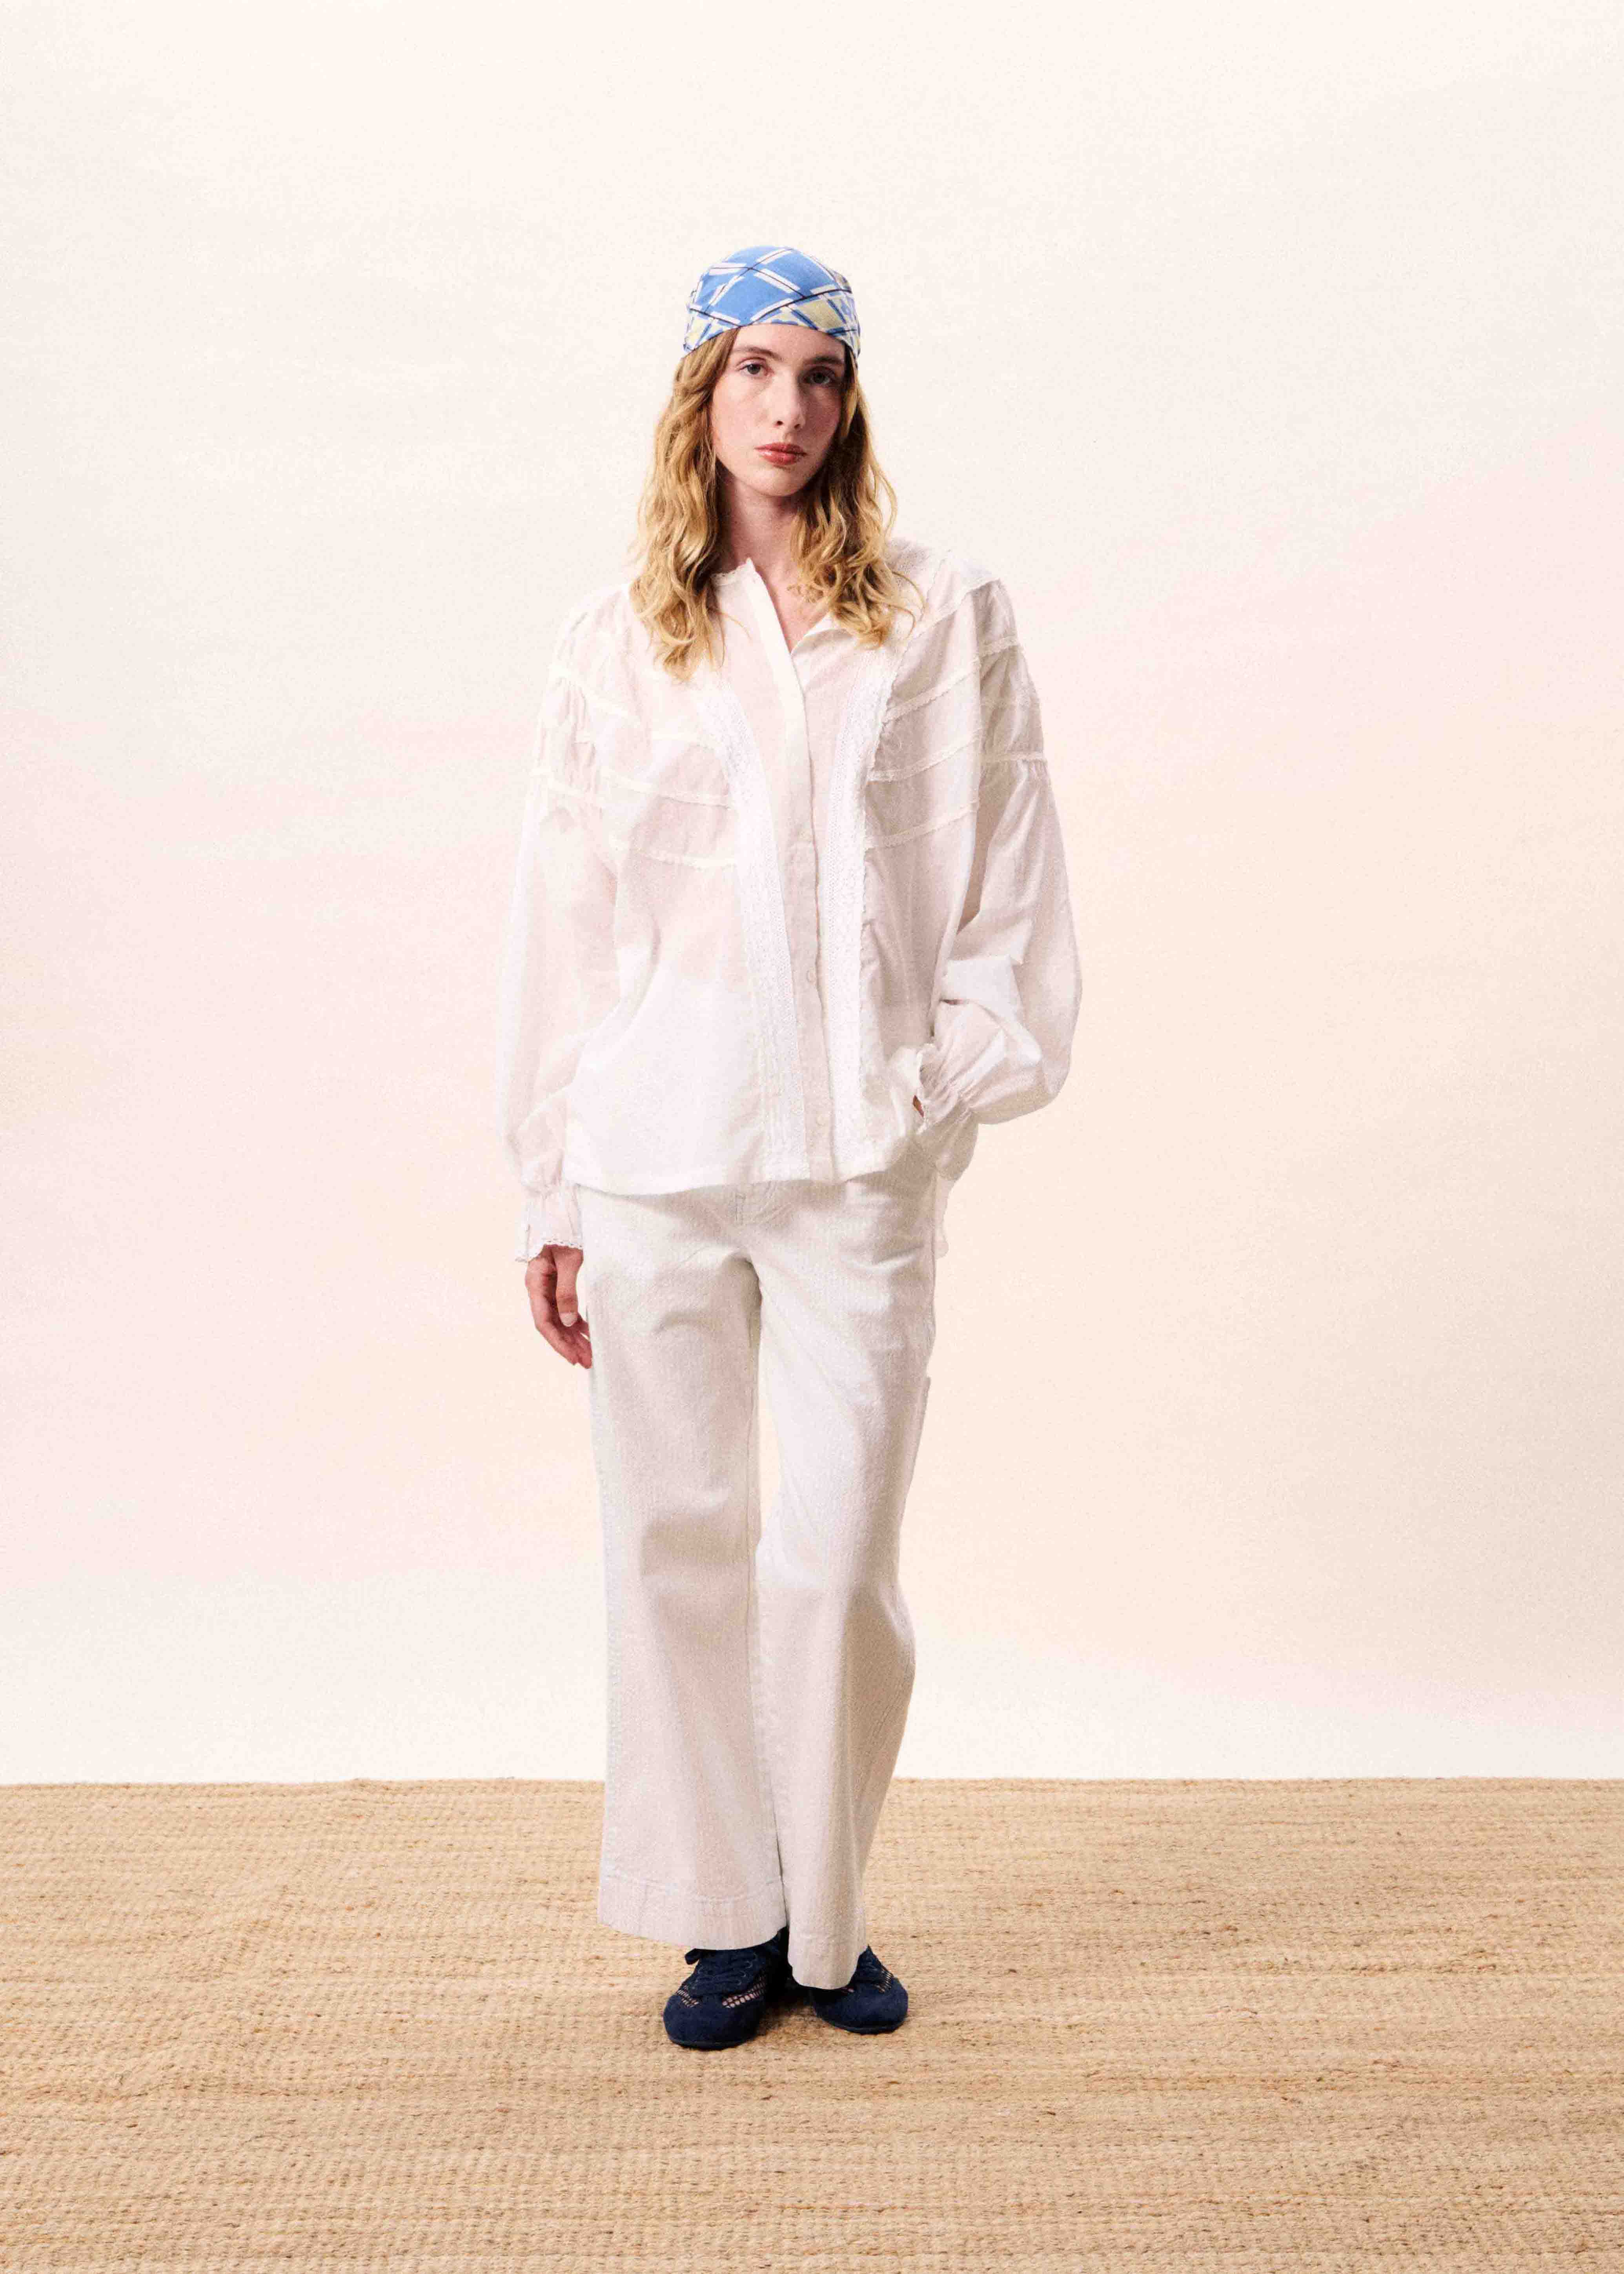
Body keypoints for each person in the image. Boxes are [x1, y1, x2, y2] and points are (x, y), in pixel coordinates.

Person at [496, 243, 1081, 2050]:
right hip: (655, 1159)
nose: (789, 404)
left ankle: (827, 1918)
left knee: (833, 1561)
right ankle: (725, 1920)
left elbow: (1010, 874)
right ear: (702, 393)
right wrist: (552, 1188)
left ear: (851, 403)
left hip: (856, 1172)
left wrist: (936, 1080)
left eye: (820, 373)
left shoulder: (945, 615)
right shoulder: (617, 639)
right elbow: (569, 928)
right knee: (675, 1541)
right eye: (756, 368)